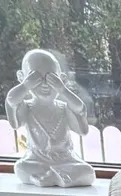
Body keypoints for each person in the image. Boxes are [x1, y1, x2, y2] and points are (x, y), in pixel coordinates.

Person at [4, 49, 95, 187]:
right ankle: (52, 176)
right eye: (36, 77)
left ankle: (52, 176)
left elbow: (79, 109)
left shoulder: (63, 108)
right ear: (22, 77)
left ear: (62, 79)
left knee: (87, 172)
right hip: (36, 159)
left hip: (65, 159)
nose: (45, 83)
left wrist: (63, 90)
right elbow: (11, 100)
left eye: (51, 77)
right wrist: (26, 85)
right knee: (21, 167)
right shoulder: (27, 108)